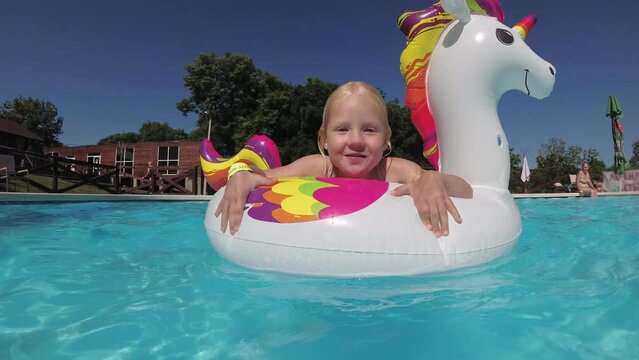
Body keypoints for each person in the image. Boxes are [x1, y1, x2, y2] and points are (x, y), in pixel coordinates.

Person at [216, 81, 473, 237]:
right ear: (324, 138)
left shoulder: (394, 169)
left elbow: (466, 189)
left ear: (386, 139)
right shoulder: (318, 166)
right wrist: (240, 174)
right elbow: (265, 178)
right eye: (342, 129)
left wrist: (431, 178)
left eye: (370, 130)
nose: (356, 140)